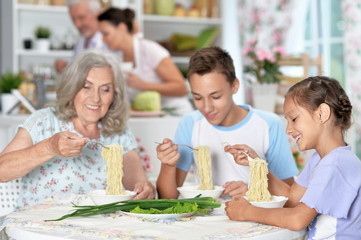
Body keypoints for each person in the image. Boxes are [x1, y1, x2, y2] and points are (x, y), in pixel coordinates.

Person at [0, 50, 154, 208]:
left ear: (114, 95)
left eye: (105, 89)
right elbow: (2, 170)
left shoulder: (118, 131)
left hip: (99, 227)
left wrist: (144, 190)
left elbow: (137, 184)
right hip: (38, 225)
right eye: (86, 87)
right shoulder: (44, 121)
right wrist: (48, 147)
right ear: (72, 87)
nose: (96, 98)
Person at [225, 76, 361, 239]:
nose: (288, 129)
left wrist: (247, 211)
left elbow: (297, 219)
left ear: (322, 113)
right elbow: (291, 198)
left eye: (294, 119)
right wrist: (257, 164)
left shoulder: (335, 164)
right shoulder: (322, 159)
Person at [156, 46, 298, 199]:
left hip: (253, 216)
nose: (207, 107)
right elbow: (167, 198)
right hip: (207, 217)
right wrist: (167, 165)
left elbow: (289, 194)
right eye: (197, 98)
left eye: (216, 97)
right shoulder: (190, 123)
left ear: (234, 86)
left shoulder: (269, 124)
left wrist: (253, 191)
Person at [98, 7, 193, 115]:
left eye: (106, 34)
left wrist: (143, 85)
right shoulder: (116, 56)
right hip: (148, 116)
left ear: (122, 28)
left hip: (174, 114)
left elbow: (181, 88)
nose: (103, 39)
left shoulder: (150, 50)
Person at [55, 0, 123, 74]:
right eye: (73, 19)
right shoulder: (80, 44)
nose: (77, 24)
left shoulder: (111, 42)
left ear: (98, 13)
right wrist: (68, 68)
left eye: (81, 17)